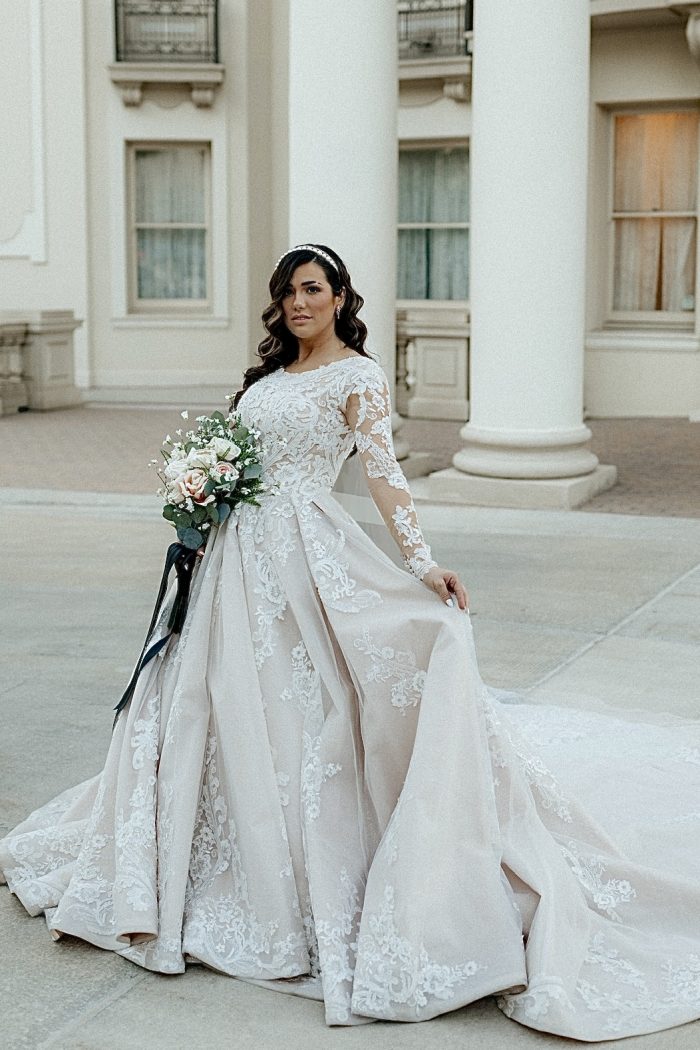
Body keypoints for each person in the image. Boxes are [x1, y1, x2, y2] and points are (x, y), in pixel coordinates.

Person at [1, 244, 699, 1041]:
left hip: (306, 551)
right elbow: (242, 456)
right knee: (213, 700)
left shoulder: (357, 376)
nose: (298, 304)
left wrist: (423, 563)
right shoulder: (266, 380)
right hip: (235, 558)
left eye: (312, 290)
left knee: (309, 705)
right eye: (288, 292)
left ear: (338, 298)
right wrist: (204, 489)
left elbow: (382, 474)